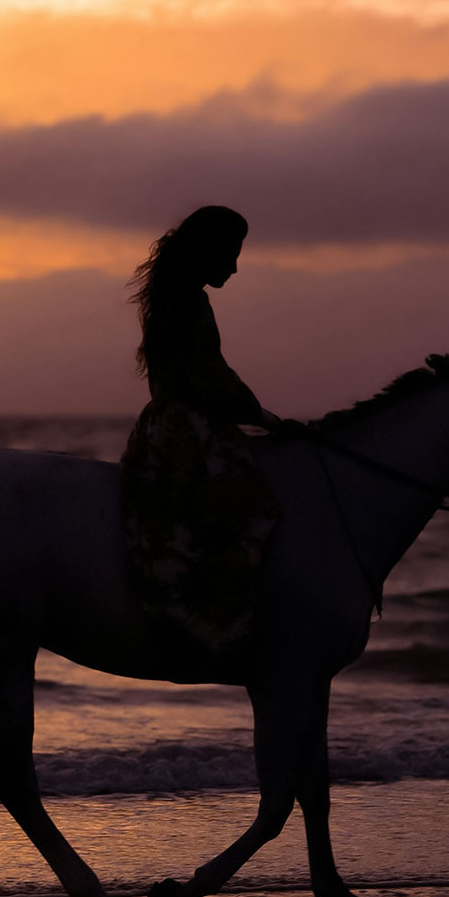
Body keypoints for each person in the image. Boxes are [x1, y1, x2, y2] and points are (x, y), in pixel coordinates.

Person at [120, 205, 281, 653]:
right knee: (254, 505)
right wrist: (259, 415)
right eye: (229, 254)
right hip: (185, 428)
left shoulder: (177, 297)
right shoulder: (187, 302)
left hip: (175, 421)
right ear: (207, 252)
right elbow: (209, 373)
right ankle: (219, 621)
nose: (234, 266)